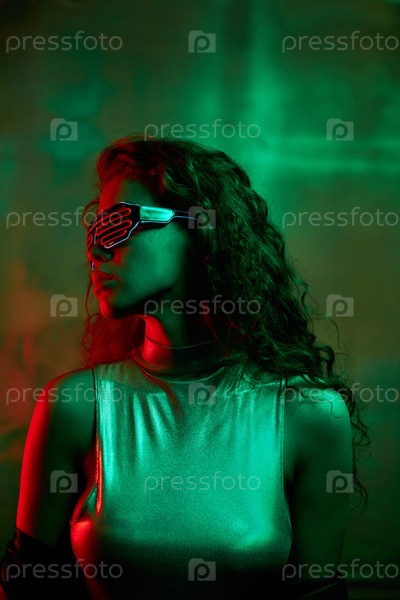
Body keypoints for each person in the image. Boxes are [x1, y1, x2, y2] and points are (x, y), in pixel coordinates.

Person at [0, 133, 369, 599]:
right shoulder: (75, 406)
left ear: (201, 229)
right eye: (93, 232)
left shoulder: (309, 413)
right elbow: (27, 589)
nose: (96, 251)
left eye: (117, 224)